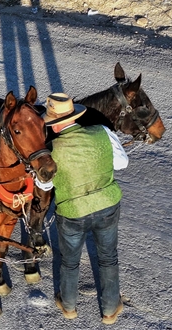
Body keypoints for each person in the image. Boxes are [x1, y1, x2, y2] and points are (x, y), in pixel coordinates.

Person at [44, 93, 128, 325]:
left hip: (73, 212)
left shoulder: (50, 149)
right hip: (107, 204)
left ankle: (69, 307)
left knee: (70, 261)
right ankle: (110, 311)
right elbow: (122, 163)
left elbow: (44, 184)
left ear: (53, 122)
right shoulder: (102, 131)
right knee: (108, 257)